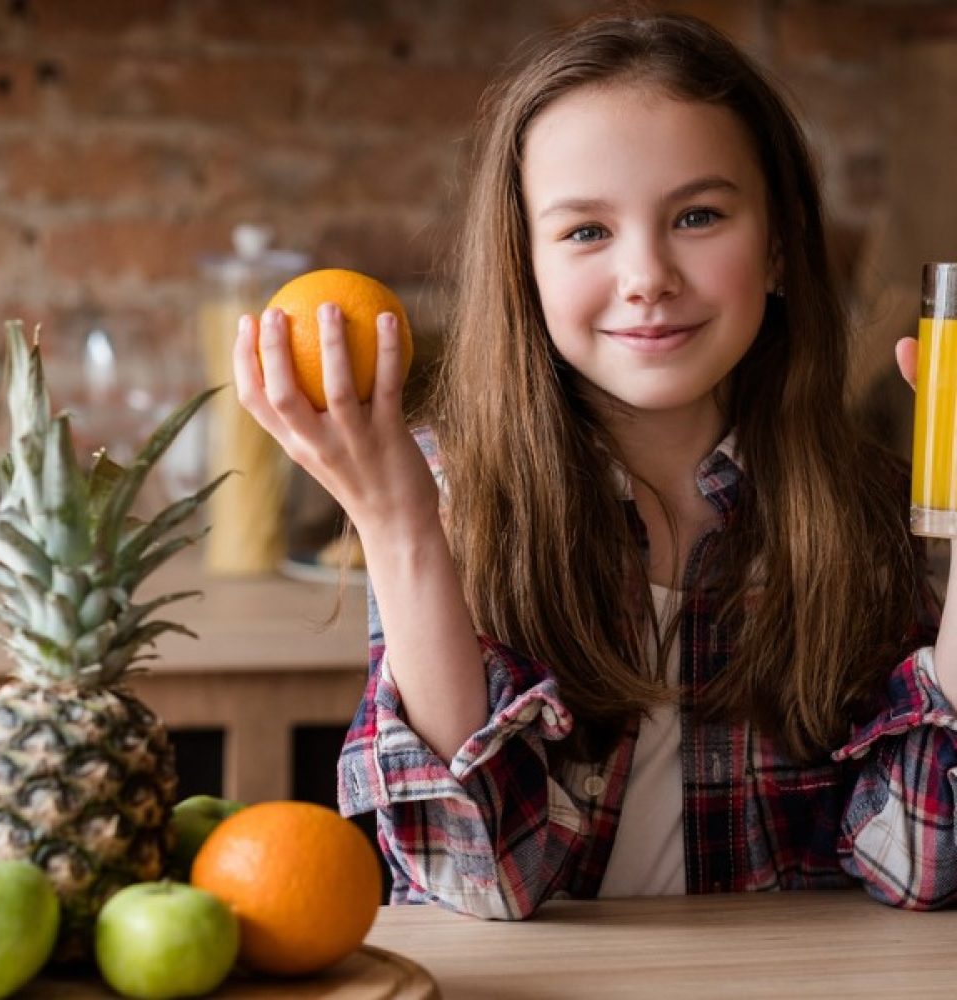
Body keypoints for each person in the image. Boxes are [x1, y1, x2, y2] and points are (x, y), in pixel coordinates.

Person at [233, 9, 957, 916]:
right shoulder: (449, 495)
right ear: (524, 267)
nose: (647, 274)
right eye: (585, 232)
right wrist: (399, 525)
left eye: (697, 215)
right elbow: (478, 878)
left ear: (776, 246)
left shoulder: (871, 509)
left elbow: (924, 864)